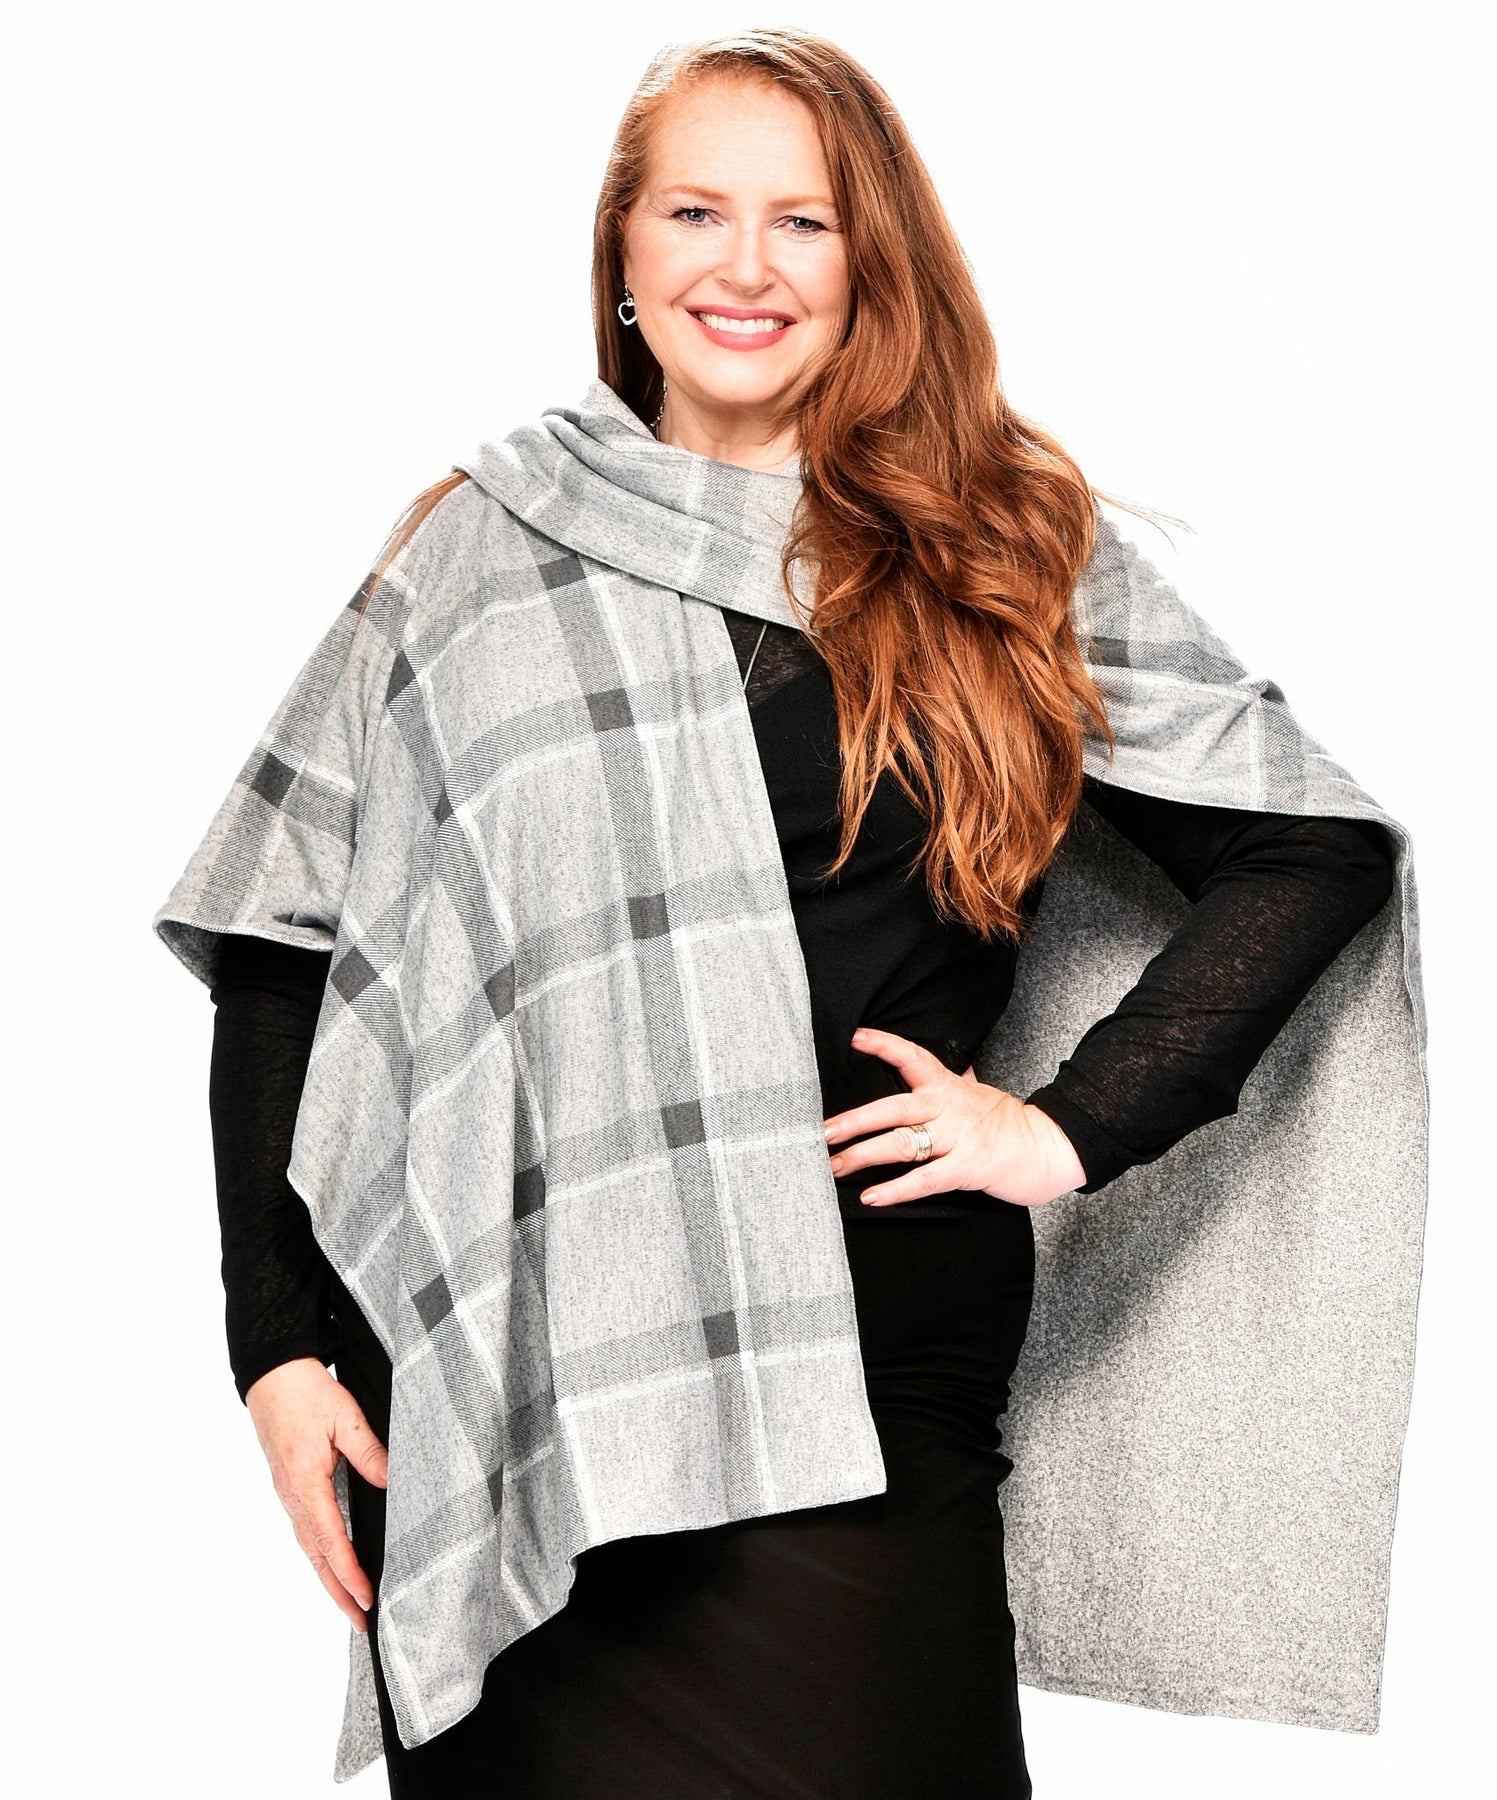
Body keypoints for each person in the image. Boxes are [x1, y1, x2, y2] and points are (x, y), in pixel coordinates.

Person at [189, 29, 1398, 1800]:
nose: (743, 267)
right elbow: (285, 950)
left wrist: (1068, 1126)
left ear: (869, 261)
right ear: (624, 250)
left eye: (804, 222)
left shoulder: (993, 541)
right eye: (695, 212)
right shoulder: (472, 550)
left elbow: (1311, 845)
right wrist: (278, 1346)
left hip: (862, 1370)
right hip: (512, 1379)